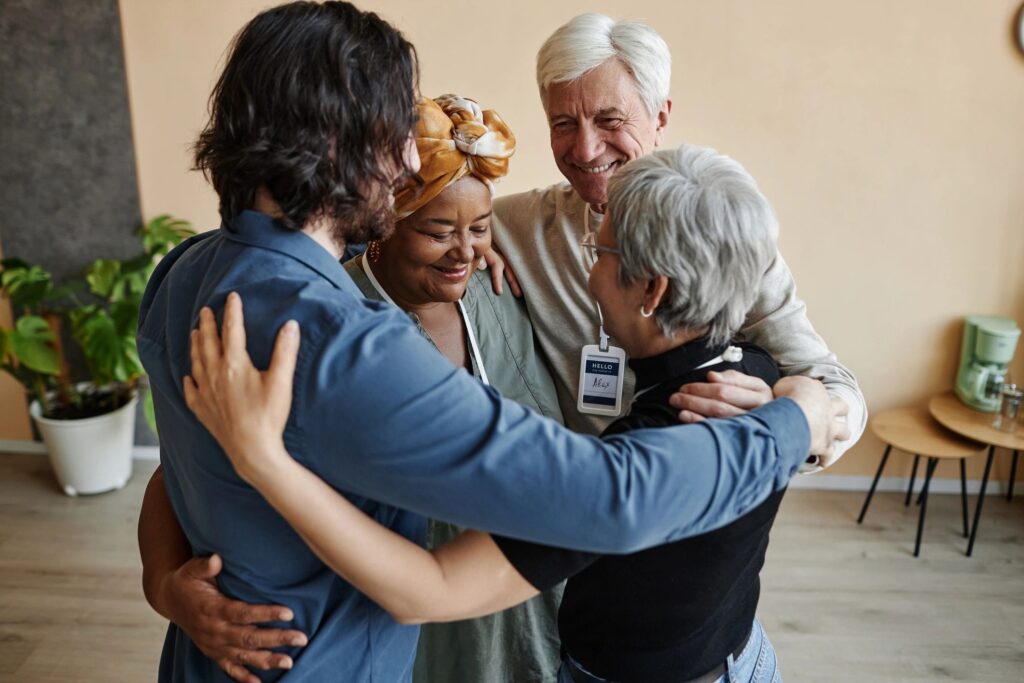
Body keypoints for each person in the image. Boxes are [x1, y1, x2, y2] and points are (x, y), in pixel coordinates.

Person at [135, 2, 838, 682]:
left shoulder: (185, 272)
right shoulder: (347, 346)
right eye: (396, 133)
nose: (412, 159)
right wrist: (792, 421)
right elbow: (610, 497)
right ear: (333, 147)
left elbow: (179, 473)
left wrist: (168, 585)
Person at [180, 144, 792, 683]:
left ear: (652, 290)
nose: (590, 271)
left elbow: (427, 589)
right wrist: (805, 405)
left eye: (599, 253)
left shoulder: (631, 459)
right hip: (743, 657)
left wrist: (263, 460)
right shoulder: (760, 377)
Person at [490, 13, 866, 466]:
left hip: (697, 492)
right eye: (564, 124)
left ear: (661, 116)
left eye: (610, 120)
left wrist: (801, 417)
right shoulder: (517, 224)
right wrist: (466, 243)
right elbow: (409, 231)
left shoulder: (721, 231)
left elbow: (834, 384)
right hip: (578, 489)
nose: (586, 149)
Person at [346, 94, 564, 683]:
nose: (466, 251)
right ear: (382, 226)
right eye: (439, 231)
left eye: (480, 228)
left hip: (534, 584)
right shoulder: (343, 314)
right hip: (418, 605)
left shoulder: (496, 291)